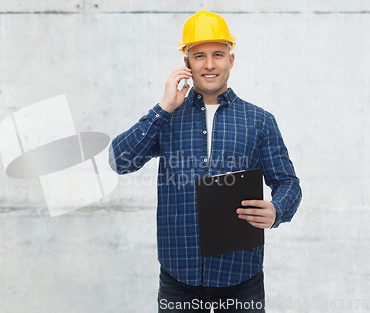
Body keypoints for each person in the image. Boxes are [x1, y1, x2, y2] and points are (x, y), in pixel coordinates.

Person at [109, 10, 301, 312]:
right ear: (186, 62)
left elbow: (288, 182)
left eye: (218, 55)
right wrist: (163, 107)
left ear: (231, 60)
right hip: (178, 279)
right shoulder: (167, 118)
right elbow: (120, 160)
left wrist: (277, 210)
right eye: (199, 56)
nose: (209, 64)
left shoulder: (260, 121)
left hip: (241, 277)